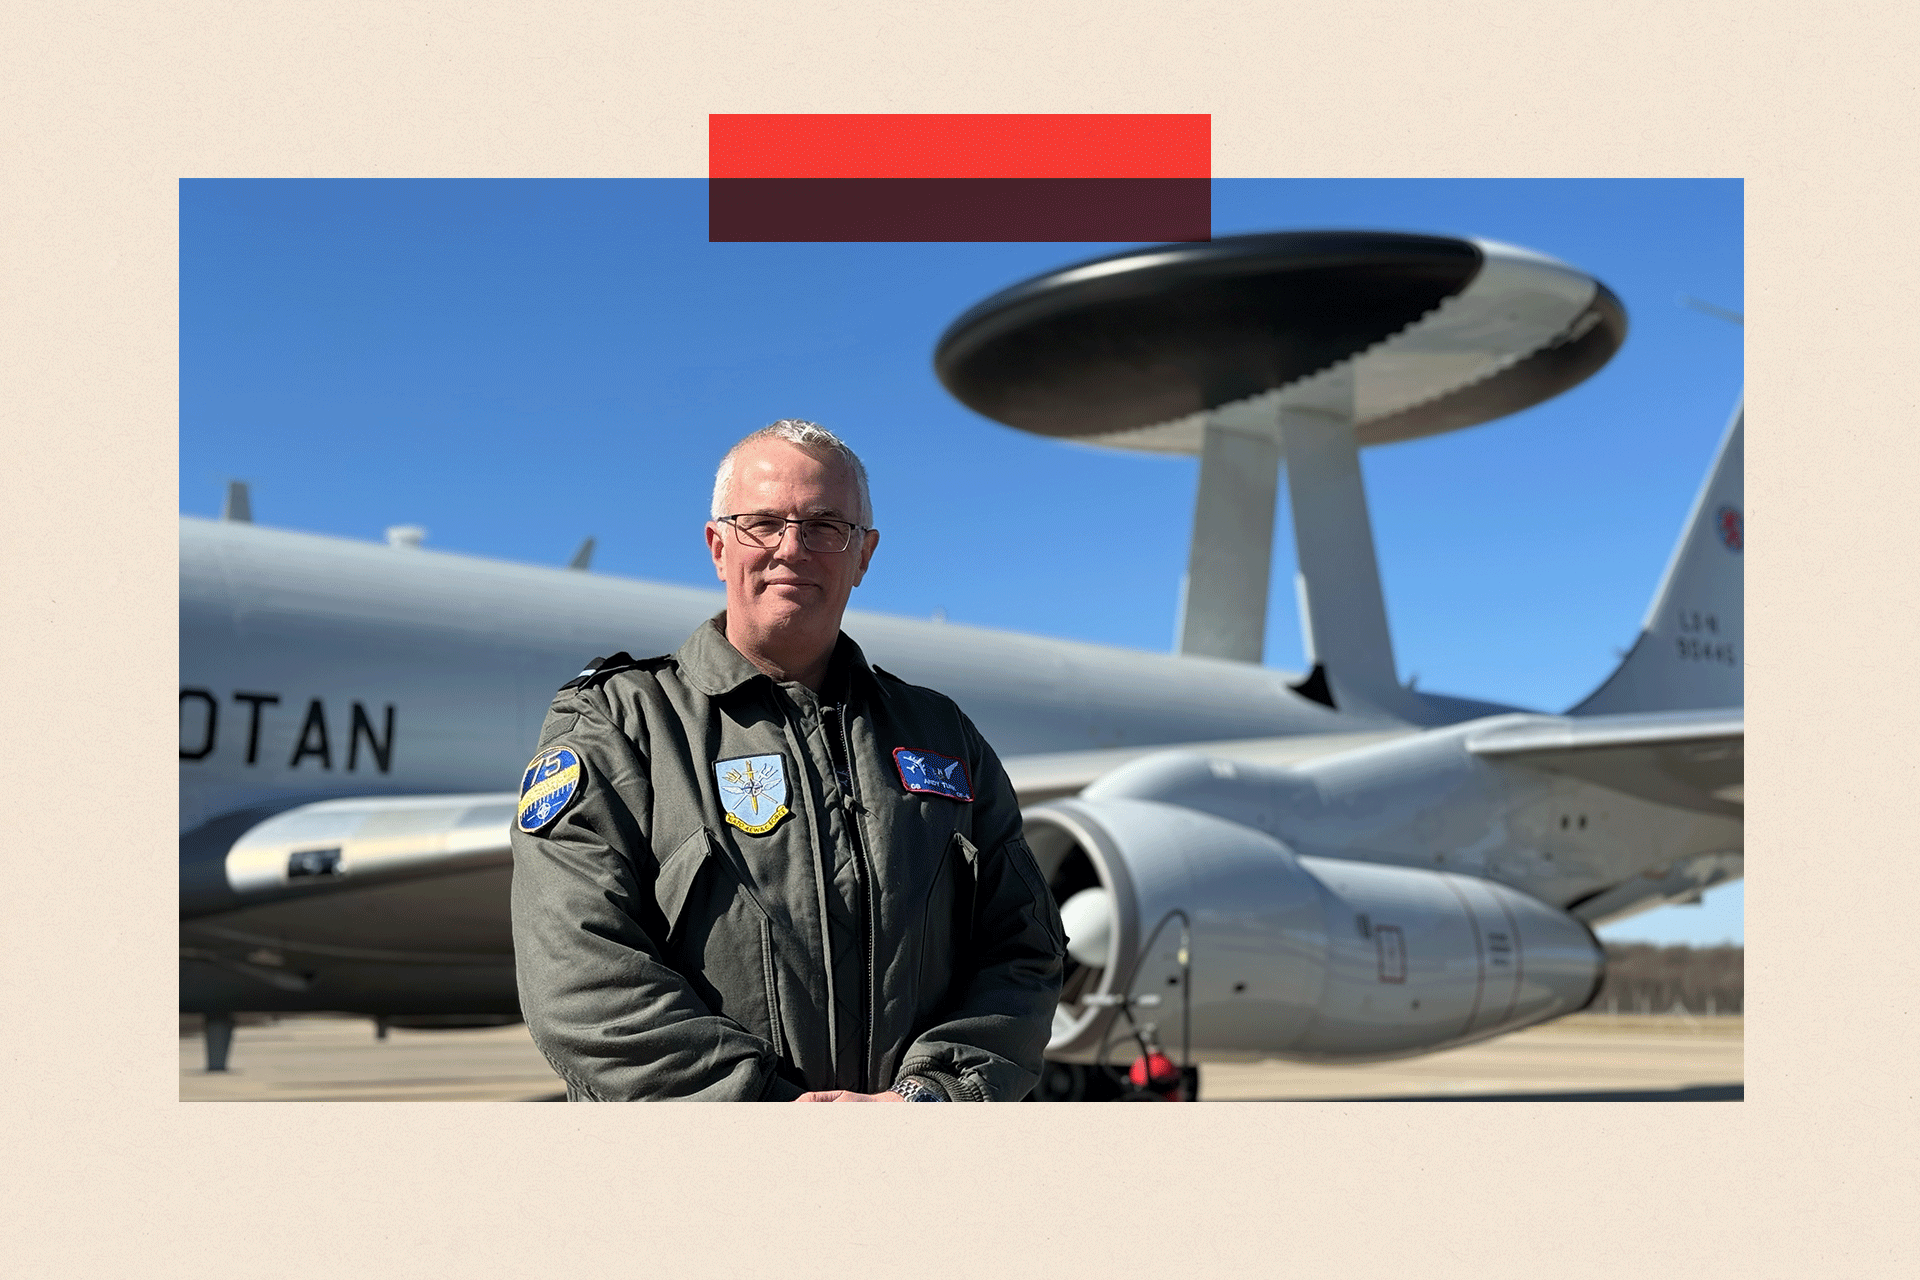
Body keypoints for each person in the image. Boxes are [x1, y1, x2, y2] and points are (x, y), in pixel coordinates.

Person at [509, 419, 1066, 1100]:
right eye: (762, 524)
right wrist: (768, 1109)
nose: (792, 548)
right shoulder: (621, 726)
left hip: (909, 1159)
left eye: (826, 525)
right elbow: (575, 969)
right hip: (697, 1171)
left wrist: (933, 1096)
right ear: (718, 546)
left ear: (864, 555)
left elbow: (1024, 947)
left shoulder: (941, 734)